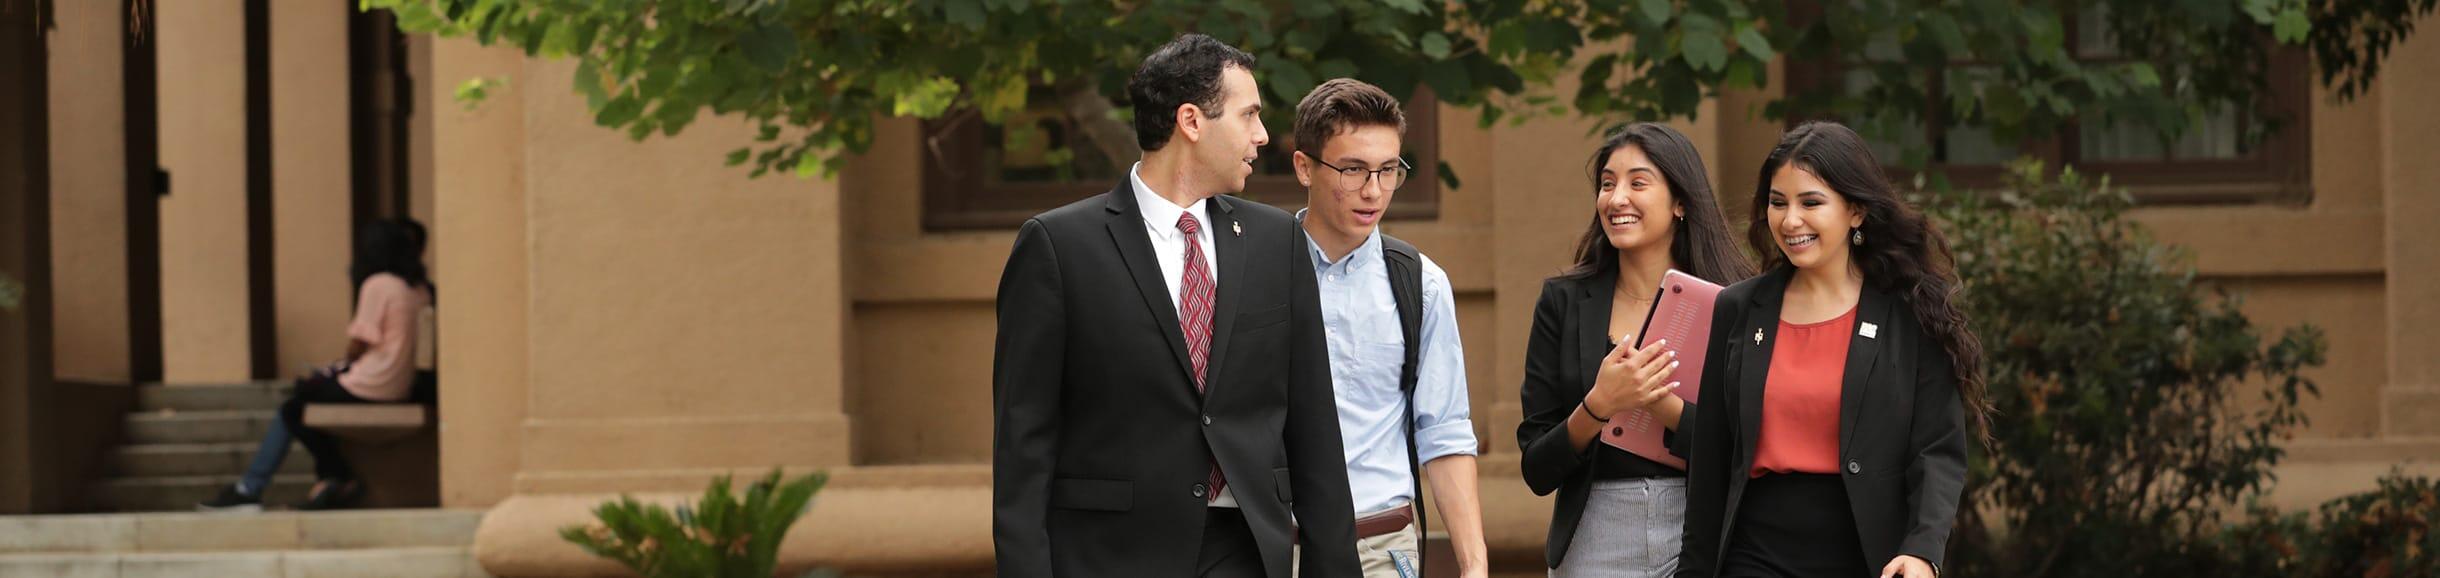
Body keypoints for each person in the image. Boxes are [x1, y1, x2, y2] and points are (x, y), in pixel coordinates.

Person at [992, 34, 1361, 578]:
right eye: (1249, 115)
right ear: (1191, 121)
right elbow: (1023, 443)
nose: (1262, 135)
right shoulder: (1057, 246)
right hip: (1108, 556)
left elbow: (1315, 431)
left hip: (1246, 552)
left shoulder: (1277, 240)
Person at [1676, 122, 1989, 578]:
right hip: (1754, 551)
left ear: (1856, 211)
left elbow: (1937, 448)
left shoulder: (1909, 312)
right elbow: (1710, 460)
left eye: (1811, 203)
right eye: (1778, 203)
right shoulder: (1738, 308)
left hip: (1867, 552)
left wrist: (1923, 551)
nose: (1790, 221)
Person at [1517, 123, 1758, 576]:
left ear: (1681, 202)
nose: (1617, 198)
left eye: (1638, 183)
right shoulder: (1562, 301)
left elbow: (1748, 449)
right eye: (1608, 184)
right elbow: (1537, 468)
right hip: (1595, 535)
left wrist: (1660, 404)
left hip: (1706, 529)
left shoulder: (1735, 302)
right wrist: (1599, 405)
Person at [1288, 78, 1488, 578]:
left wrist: (1475, 565)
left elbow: (1444, 433)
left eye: (1388, 170)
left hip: (1381, 548)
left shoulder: (1421, 284)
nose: (1373, 191)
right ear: (1305, 167)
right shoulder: (1254, 270)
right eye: (1353, 169)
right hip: (1271, 549)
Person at [199, 218, 435, 512]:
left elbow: (359, 343)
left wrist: (342, 365)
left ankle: (255, 488)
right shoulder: (419, 290)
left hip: (372, 383)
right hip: (401, 383)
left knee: (293, 407)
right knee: (307, 400)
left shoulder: (379, 285)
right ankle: (329, 478)